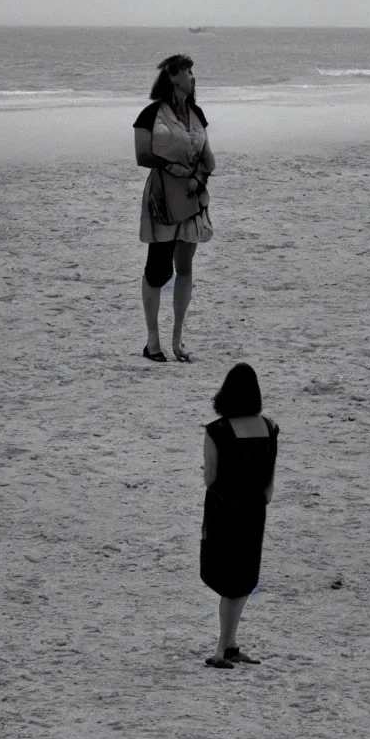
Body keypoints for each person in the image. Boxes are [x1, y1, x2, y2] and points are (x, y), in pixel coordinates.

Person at [133, 54, 216, 363]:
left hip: (193, 197)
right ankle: (152, 341)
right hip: (162, 196)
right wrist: (172, 165)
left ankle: (177, 339)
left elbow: (208, 156)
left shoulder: (196, 113)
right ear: (173, 76)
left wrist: (200, 177)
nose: (193, 76)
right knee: (158, 268)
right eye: (187, 71)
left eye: (192, 70)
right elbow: (142, 155)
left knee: (185, 267)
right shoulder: (150, 114)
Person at [200, 364, 279, 668]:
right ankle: (230, 644)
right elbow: (269, 482)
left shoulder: (217, 432)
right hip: (254, 512)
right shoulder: (270, 428)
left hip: (223, 512)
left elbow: (210, 479)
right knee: (243, 581)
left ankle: (222, 649)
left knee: (229, 583)